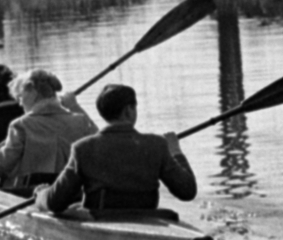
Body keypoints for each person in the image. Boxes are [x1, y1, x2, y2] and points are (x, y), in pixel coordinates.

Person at [37, 83, 196, 214]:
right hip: (146, 218)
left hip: (101, 220)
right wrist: (175, 150)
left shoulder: (82, 148)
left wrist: (41, 194)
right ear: (129, 110)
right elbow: (187, 192)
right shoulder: (157, 144)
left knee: (70, 208)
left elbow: (54, 203)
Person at [0, 68, 96, 195]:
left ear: (31, 93)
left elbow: (0, 166)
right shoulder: (80, 120)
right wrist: (75, 106)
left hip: (30, 193)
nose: (20, 104)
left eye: (20, 97)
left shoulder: (21, 125)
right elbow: (101, 143)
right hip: (72, 192)